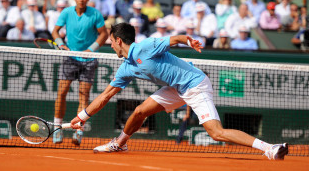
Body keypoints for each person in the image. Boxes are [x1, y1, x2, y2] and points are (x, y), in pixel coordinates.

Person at [69, 22, 289, 160]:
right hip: (175, 88)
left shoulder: (146, 46)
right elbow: (106, 95)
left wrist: (188, 41)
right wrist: (81, 116)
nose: (110, 45)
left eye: (110, 41)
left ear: (118, 40)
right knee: (139, 112)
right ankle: (119, 144)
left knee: (216, 133)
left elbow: (175, 39)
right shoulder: (126, 67)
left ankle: (269, 148)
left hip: (195, 84)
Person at [52, 0, 108, 146]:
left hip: (89, 59)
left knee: (83, 95)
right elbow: (55, 31)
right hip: (69, 58)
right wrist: (61, 44)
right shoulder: (66, 12)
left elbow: (104, 34)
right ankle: (57, 129)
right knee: (61, 92)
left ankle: (78, 131)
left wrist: (90, 50)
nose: (81, 0)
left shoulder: (95, 14)